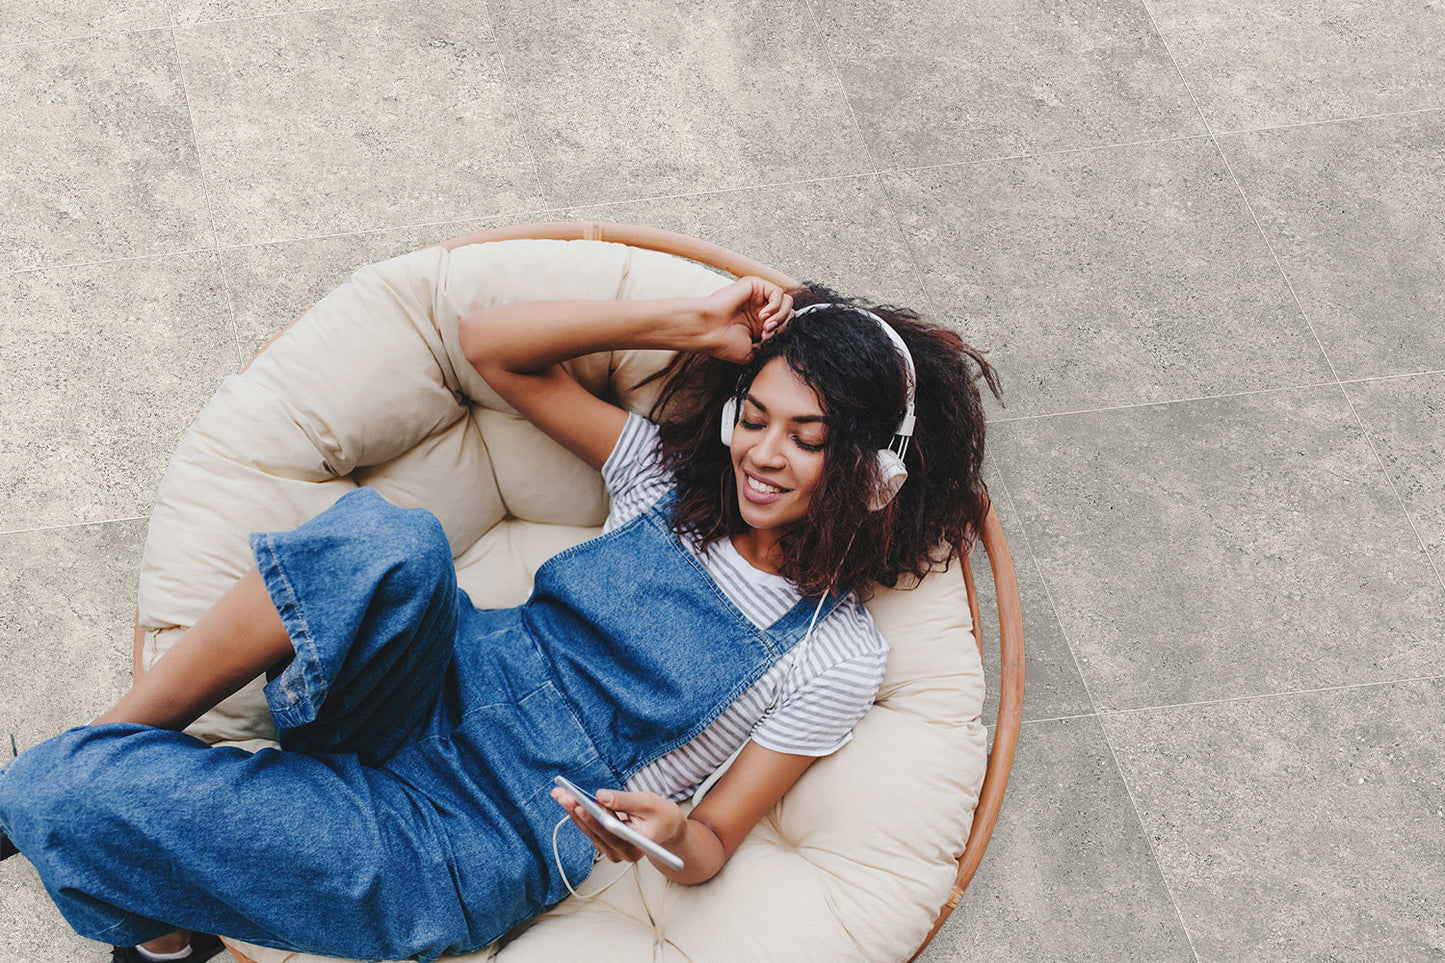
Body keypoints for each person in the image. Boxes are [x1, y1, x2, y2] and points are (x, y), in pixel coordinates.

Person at [0, 276, 1000, 963]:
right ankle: (123, 739)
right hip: (418, 687)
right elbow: (490, 349)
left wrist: (662, 832)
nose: (762, 454)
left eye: (807, 437)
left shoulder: (830, 653)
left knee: (54, 795)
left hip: (472, 837)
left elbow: (709, 848)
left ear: (873, 476)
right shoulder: (667, 482)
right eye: (755, 414)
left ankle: (160, 936)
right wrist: (696, 321)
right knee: (393, 540)